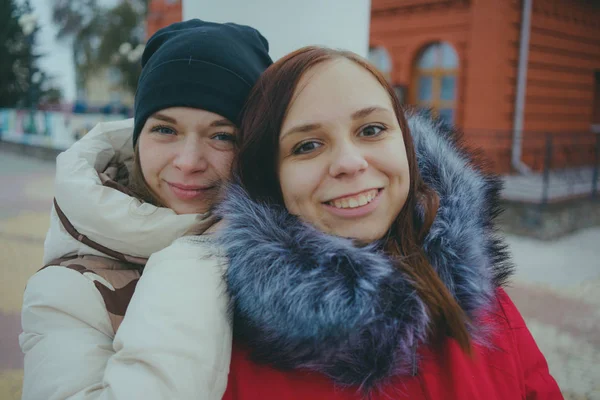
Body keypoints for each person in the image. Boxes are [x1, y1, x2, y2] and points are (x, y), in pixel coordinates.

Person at [216, 46, 563, 399]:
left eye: (371, 129)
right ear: (271, 178)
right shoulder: (223, 352)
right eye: (307, 146)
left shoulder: (482, 302)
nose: (350, 163)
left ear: (407, 146)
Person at [19, 19, 271, 400]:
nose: (188, 162)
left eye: (222, 135)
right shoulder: (73, 291)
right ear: (138, 139)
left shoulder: (297, 252)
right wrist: (194, 258)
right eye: (165, 130)